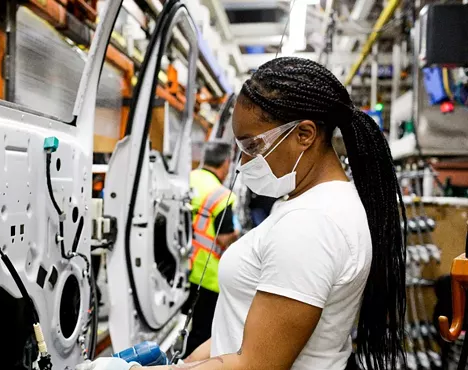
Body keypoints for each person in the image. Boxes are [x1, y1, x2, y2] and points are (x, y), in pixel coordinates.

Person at [78, 57, 406, 370]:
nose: (243, 164)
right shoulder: (310, 205)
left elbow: (257, 364)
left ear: (304, 135)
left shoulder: (312, 224)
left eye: (252, 146)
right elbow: (234, 338)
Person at [184, 141, 239, 358]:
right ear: (226, 163)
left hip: (179, 270)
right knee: (201, 333)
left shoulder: (186, 179)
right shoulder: (223, 195)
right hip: (206, 276)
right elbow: (224, 238)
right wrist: (238, 235)